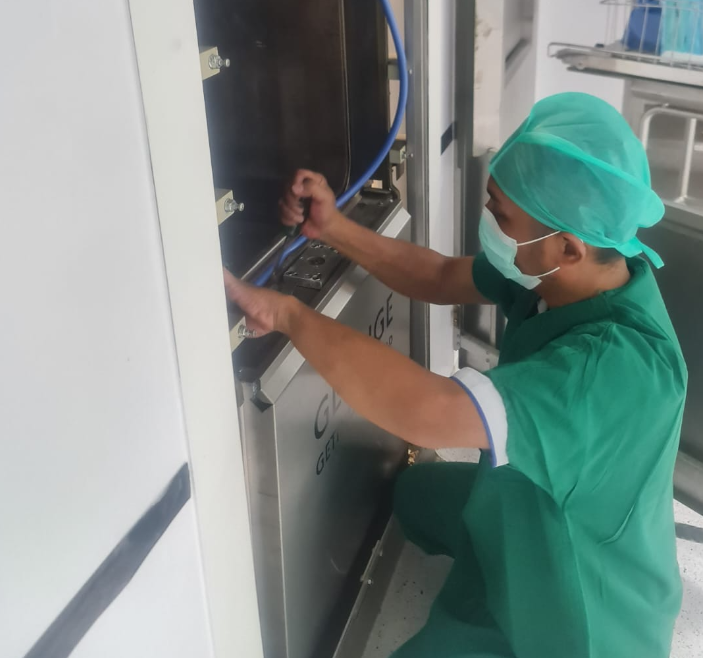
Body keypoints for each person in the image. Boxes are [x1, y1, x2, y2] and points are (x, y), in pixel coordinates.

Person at [224, 92, 687, 658]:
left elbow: (429, 411)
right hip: (539, 498)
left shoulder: (609, 370)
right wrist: (334, 227)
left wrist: (291, 316)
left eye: (501, 214)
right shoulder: (577, 271)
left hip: (581, 612)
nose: (488, 221)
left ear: (567, 247)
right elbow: (442, 276)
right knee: (414, 494)